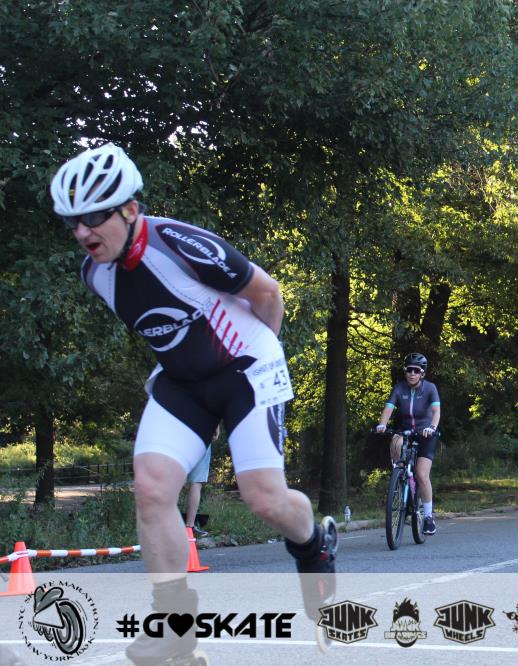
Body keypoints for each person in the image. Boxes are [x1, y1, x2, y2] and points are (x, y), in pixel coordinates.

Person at [50, 144, 337, 665]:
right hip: (183, 380)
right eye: (73, 222)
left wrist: (261, 363)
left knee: (264, 499)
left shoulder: (180, 243)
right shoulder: (95, 274)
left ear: (129, 209)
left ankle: (314, 543)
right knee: (151, 487)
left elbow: (268, 294)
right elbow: (165, 327)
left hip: (246, 367)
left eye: (93, 218)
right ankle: (174, 626)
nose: (82, 232)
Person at [376, 352, 441, 535]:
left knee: (422, 474)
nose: (412, 373)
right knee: (396, 445)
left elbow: (436, 411)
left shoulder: (430, 388)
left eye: (416, 371)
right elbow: (388, 409)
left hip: (425, 433)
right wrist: (382, 424)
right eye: (409, 370)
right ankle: (401, 480)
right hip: (404, 431)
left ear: (422, 373)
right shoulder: (399, 388)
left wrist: (432, 427)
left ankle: (428, 517)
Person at [184, 440, 213, 537]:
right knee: (196, 481)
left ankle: (164, 525)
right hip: (201, 436)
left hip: (177, 434)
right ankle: (189, 527)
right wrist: (215, 431)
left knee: (172, 479)